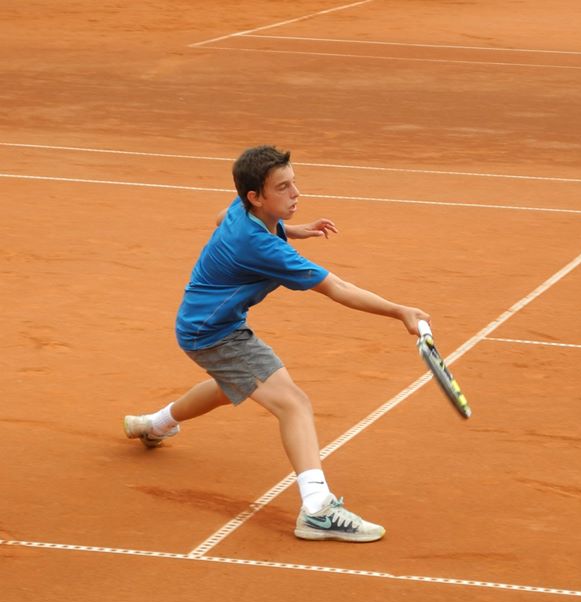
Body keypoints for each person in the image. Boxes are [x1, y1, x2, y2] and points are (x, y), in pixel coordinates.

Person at [124, 145, 428, 543]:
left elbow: (220, 218)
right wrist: (399, 310)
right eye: (282, 187)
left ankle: (155, 425)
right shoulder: (262, 248)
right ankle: (317, 509)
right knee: (293, 402)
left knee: (227, 386)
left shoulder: (241, 210)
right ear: (256, 196)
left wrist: (294, 229)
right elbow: (336, 287)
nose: (295, 193)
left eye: (294, 182)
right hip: (213, 333)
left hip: (201, 323)